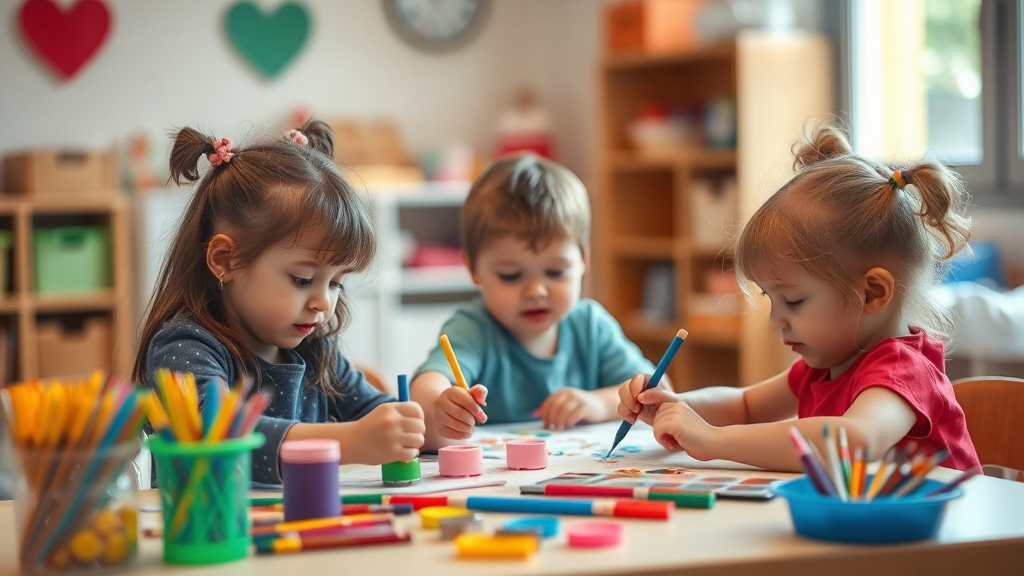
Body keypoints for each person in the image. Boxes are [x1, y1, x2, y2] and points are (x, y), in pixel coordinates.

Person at [617, 121, 981, 471]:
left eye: (793, 301)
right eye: (770, 298)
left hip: (947, 533)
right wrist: (671, 407)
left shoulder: (905, 371)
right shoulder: (823, 367)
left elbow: (851, 441)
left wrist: (712, 440)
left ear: (872, 293)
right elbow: (744, 405)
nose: (776, 320)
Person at [134, 120, 425, 485]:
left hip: (298, 533)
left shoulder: (317, 349)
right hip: (214, 535)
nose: (324, 302)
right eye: (303, 280)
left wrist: (425, 424)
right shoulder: (183, 347)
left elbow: (375, 413)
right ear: (226, 261)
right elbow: (219, 436)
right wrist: (349, 442)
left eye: (337, 283)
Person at [410, 153, 657, 450]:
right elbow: (428, 385)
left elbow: (654, 390)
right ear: (473, 269)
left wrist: (596, 404)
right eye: (511, 275)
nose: (536, 291)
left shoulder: (591, 324)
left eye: (555, 271)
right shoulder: (473, 328)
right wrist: (440, 404)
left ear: (583, 260)